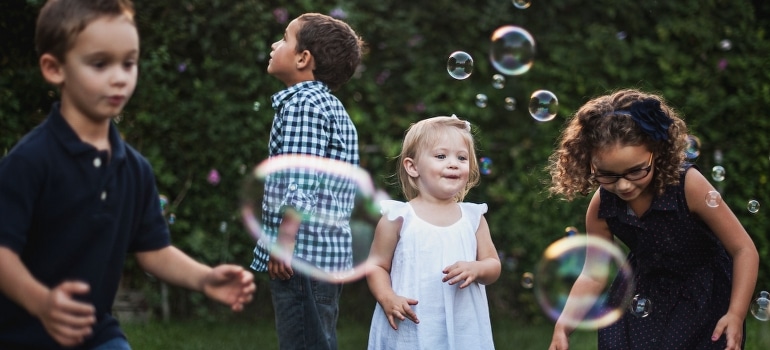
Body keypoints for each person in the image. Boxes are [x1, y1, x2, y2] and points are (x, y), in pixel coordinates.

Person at [0, 0, 256, 349]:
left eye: (129, 63)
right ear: (54, 68)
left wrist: (205, 278)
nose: (119, 77)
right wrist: (42, 302)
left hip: (96, 333)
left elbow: (154, 250)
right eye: (100, 63)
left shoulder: (134, 169)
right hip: (21, 335)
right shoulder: (30, 162)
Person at [545, 89, 759, 350]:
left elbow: (743, 249)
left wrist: (735, 314)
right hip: (641, 293)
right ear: (589, 164)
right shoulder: (603, 205)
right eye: (607, 175)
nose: (623, 185)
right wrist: (564, 324)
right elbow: (593, 274)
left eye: (636, 171)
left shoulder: (687, 186)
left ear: (657, 152)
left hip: (701, 295)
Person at [249, 12, 365, 350]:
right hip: (321, 253)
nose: (274, 45)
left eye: (284, 38)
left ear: (303, 58)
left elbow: (302, 179)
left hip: (302, 253)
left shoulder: (304, 104)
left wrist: (283, 242)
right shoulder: (329, 106)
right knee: (318, 339)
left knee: (303, 342)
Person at [366, 116, 501, 350]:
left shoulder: (473, 218)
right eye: (441, 156)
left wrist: (477, 268)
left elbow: (493, 265)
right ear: (413, 167)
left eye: (462, 157)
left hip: (463, 328)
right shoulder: (398, 217)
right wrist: (387, 297)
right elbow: (376, 265)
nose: (453, 163)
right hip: (411, 328)